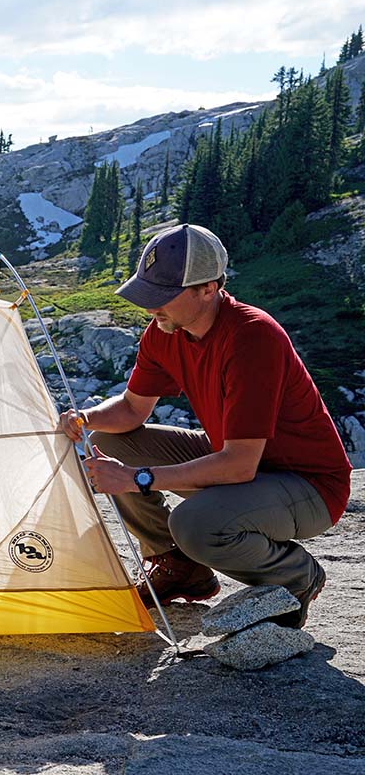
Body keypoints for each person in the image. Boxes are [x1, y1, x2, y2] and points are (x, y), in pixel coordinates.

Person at [58, 224, 351, 627]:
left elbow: (239, 466)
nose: (149, 308)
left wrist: (138, 479)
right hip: (239, 461)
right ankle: (179, 566)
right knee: (111, 440)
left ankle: (297, 577)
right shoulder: (164, 331)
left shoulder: (252, 336)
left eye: (161, 297)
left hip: (307, 485)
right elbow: (130, 410)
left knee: (195, 524)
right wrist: (85, 418)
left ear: (208, 288)